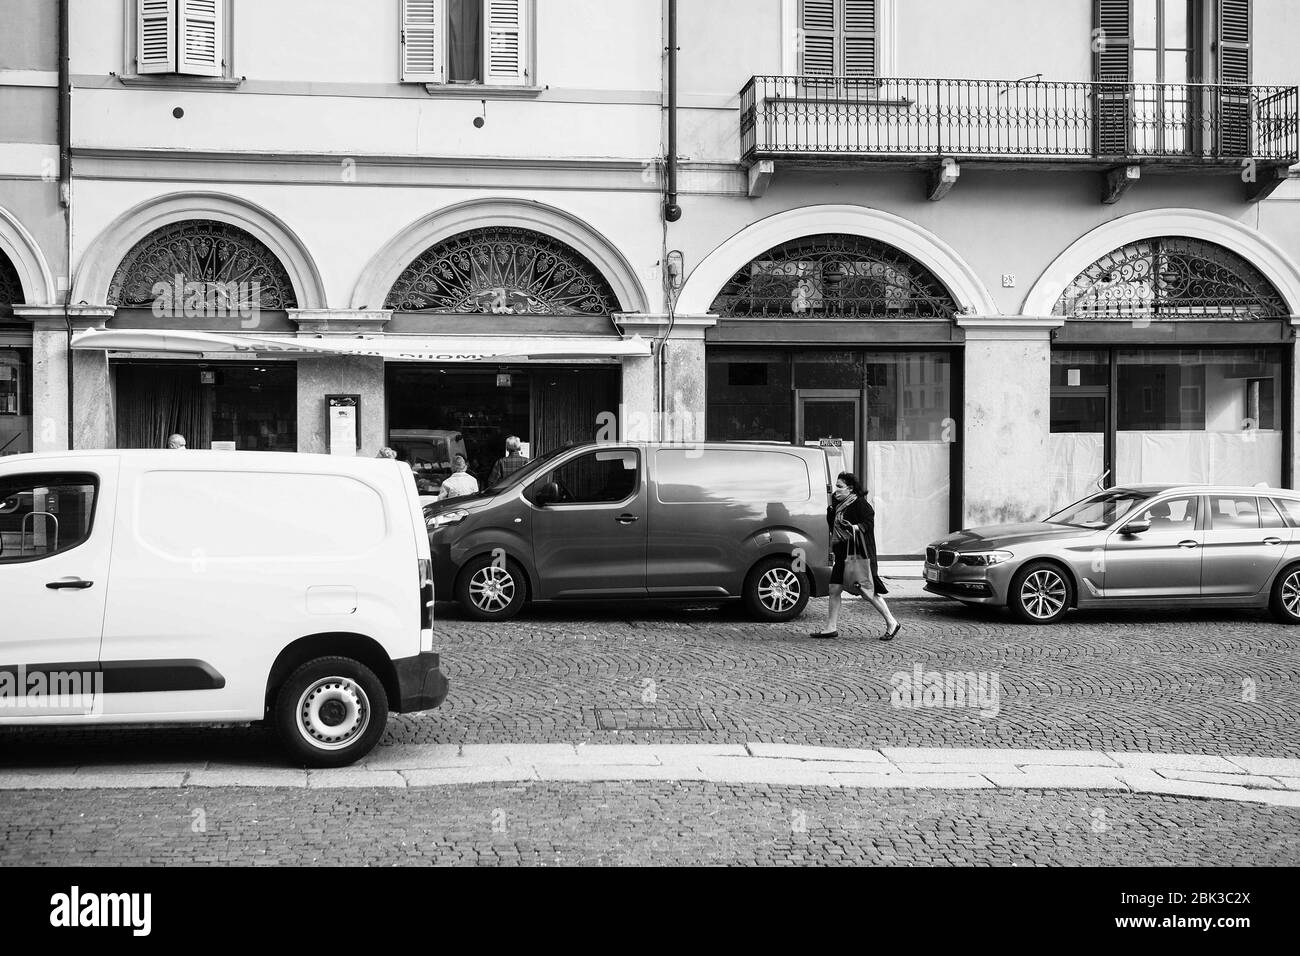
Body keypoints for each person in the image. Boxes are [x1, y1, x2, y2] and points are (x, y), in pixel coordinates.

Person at [811, 472, 900, 641]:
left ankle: (892, 622)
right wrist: (831, 511)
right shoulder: (837, 504)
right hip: (842, 554)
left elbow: (868, 522)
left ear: (850, 489)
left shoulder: (860, 504)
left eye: (840, 486)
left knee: (867, 592)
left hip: (858, 555)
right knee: (834, 589)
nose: (836, 490)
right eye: (836, 486)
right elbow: (833, 527)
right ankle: (831, 628)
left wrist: (854, 527)